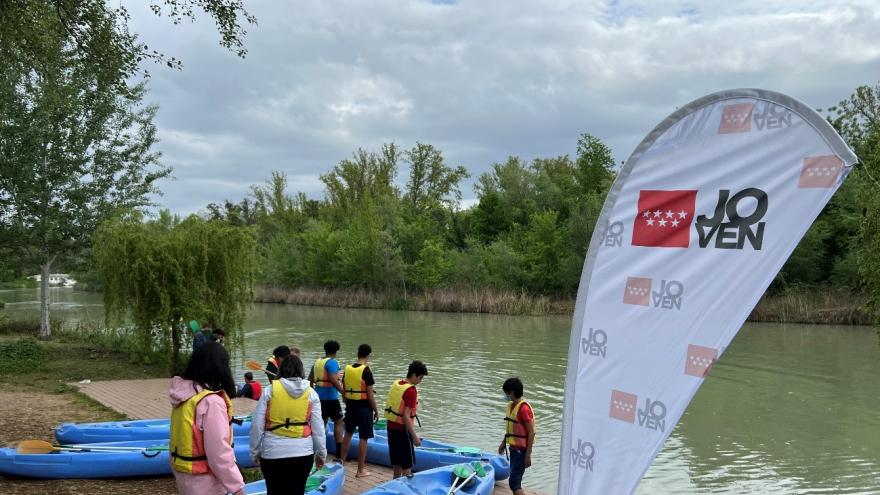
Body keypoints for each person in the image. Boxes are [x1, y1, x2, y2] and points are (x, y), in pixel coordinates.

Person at [169, 342, 245, 495]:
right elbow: (218, 452)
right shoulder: (212, 402)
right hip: (206, 483)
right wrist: (237, 488)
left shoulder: (184, 396)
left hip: (185, 478)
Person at [249, 354, 327, 495]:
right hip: (303, 453)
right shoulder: (312, 394)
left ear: (282, 370)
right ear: (301, 370)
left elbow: (257, 425)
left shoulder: (269, 390)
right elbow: (318, 428)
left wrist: (255, 452)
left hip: (273, 453)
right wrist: (321, 453)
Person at [339, 344, 378, 477]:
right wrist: (376, 410)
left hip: (350, 406)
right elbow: (370, 396)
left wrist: (346, 401)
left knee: (348, 434)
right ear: (368, 355)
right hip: (364, 408)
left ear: (358, 354)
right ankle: (360, 471)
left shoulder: (348, 369)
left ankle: (341, 464)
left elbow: (344, 390)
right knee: (363, 437)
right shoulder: (366, 370)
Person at [384, 360, 428, 479]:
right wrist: (415, 437)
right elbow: (406, 417)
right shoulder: (411, 391)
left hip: (391, 428)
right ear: (414, 375)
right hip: (402, 431)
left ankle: (395, 487)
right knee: (407, 466)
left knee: (397, 463)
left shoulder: (397, 383)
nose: (420, 381)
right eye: (420, 378)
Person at [308, 340, 345, 462]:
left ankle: (317, 453)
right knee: (339, 422)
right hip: (332, 399)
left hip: (319, 399)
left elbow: (310, 380)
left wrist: (313, 394)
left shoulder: (317, 362)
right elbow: (334, 380)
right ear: (336, 351)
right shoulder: (332, 362)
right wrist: (344, 393)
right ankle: (339, 456)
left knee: (321, 425)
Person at [498, 377, 536, 495]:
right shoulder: (512, 406)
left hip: (522, 451)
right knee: (514, 481)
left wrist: (528, 456)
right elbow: (512, 429)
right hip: (514, 450)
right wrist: (503, 443)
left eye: (506, 393)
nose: (505, 396)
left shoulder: (524, 409)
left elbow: (531, 432)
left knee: (514, 483)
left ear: (512, 393)